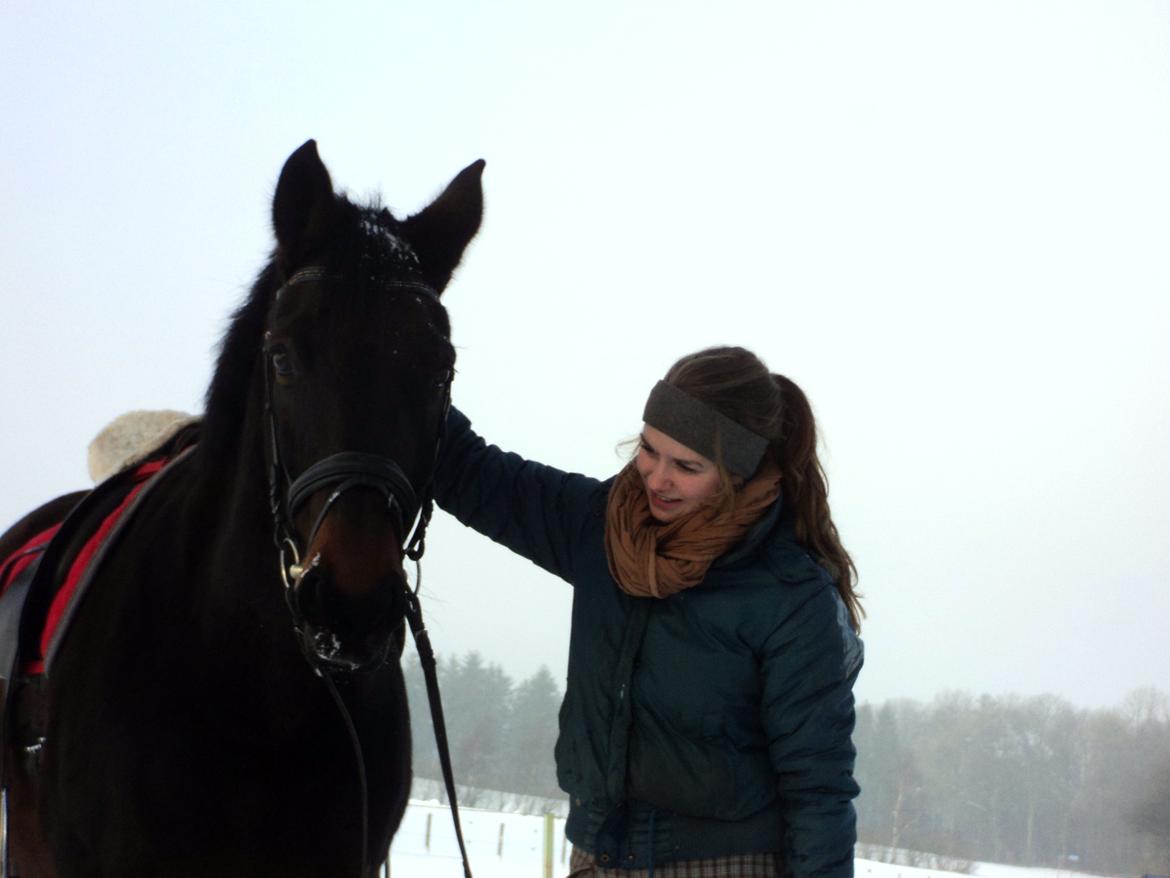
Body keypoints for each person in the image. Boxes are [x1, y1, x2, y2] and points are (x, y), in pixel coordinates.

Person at [433, 345, 863, 878]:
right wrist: (391, 350)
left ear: (739, 472)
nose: (657, 478)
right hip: (598, 853)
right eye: (649, 450)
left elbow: (818, 785)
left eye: (687, 466)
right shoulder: (601, 528)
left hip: (729, 864)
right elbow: (468, 472)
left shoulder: (790, 597)